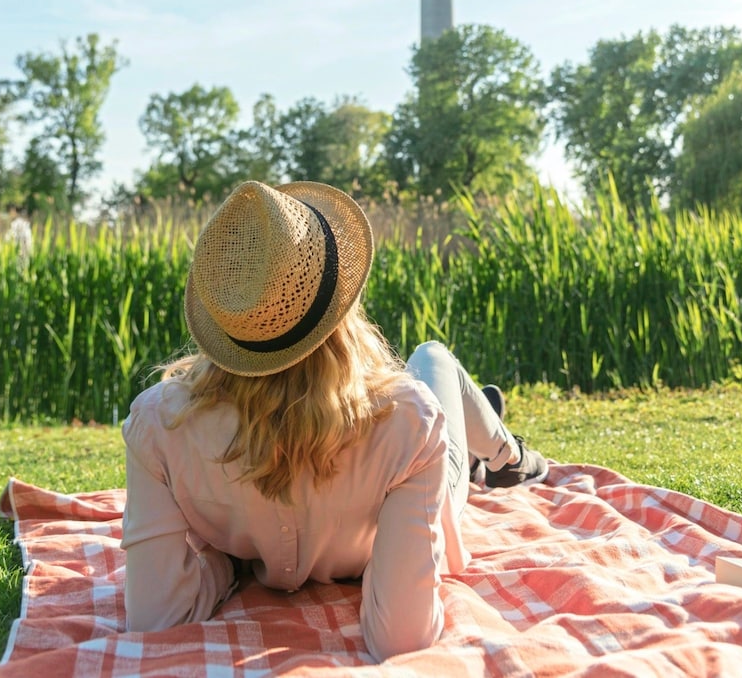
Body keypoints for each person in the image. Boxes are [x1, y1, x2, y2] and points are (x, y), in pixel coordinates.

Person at [121, 180, 548, 661]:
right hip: (421, 465)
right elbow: (403, 640)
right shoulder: (408, 421)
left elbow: (156, 617)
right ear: (340, 309)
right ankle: (506, 456)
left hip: (412, 458)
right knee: (432, 357)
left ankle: (505, 453)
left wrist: (225, 565)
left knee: (433, 378)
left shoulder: (160, 423)